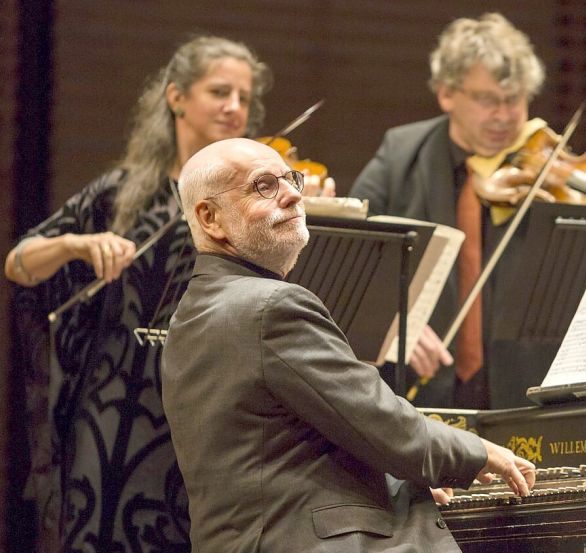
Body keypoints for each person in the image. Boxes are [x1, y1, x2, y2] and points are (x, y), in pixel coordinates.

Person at [163, 137, 535, 552]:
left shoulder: (189, 316)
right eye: (264, 186)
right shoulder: (272, 307)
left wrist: (399, 481)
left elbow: (286, 450)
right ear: (210, 217)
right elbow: (378, 422)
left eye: (290, 179)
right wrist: (476, 452)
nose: (291, 195)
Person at [4, 36, 271, 552]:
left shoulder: (247, 204)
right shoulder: (119, 193)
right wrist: (74, 243)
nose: (234, 107)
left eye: (244, 97)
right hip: (108, 407)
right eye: (220, 91)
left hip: (197, 408)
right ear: (176, 97)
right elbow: (18, 265)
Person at [350, 13, 586, 409]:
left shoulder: (549, 171)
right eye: (486, 100)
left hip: (527, 389)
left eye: (514, 100)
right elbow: (354, 254)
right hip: (418, 390)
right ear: (447, 93)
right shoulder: (401, 155)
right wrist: (392, 321)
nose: (503, 116)